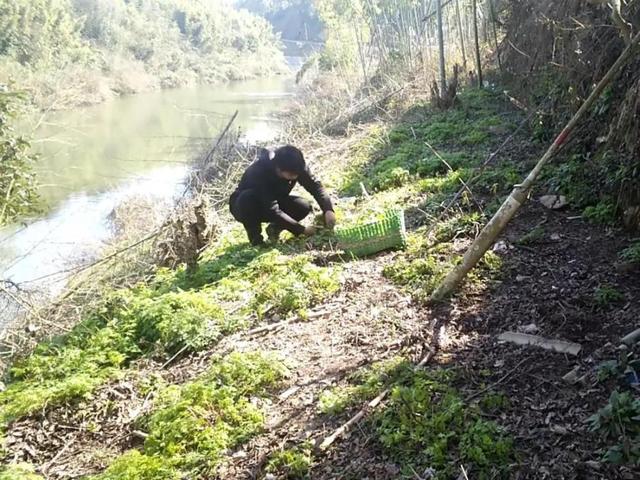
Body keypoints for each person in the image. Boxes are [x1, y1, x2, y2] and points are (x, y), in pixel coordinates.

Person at [229, 145, 336, 246]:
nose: (295, 177)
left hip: (274, 199)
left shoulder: (295, 166)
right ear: (278, 169)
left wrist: (328, 209)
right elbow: (272, 210)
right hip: (245, 206)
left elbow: (315, 187)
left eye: (297, 175)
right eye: (291, 175)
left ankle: (275, 228)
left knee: (303, 206)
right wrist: (301, 230)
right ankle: (256, 241)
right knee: (247, 198)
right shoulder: (259, 172)